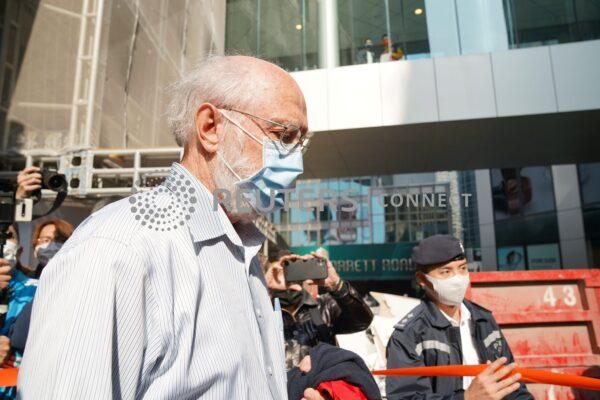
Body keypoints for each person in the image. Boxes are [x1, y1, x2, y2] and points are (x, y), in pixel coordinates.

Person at [18, 55, 326, 400]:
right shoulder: (118, 247)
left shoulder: (241, 250)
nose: (296, 164)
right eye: (282, 136)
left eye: (301, 143)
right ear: (210, 127)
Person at [386, 235, 533, 400]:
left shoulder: (483, 320)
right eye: (446, 272)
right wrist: (467, 398)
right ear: (422, 279)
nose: (458, 278)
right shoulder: (409, 336)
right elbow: (406, 397)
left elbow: (512, 386)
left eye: (462, 268)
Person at [265, 250, 373, 370]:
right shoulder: (261, 313)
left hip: (321, 387)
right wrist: (263, 288)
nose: (285, 279)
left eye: (290, 271)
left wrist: (337, 286)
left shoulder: (324, 307)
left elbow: (362, 321)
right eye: (280, 273)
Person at [0, 224, 37, 399]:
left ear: (20, 251)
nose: (3, 242)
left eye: (8, 235)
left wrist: (13, 356)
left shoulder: (39, 290)